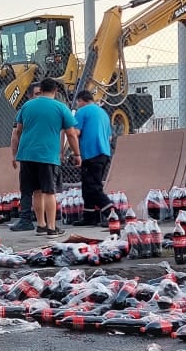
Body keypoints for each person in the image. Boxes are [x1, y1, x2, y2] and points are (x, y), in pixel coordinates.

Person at [10, 77, 81, 236]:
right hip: (47, 155)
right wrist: (77, 154)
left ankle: (41, 225)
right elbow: (70, 134)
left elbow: (18, 131)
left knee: (36, 191)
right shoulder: (61, 107)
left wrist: (15, 153)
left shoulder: (27, 106)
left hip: (27, 155)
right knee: (49, 191)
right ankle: (51, 227)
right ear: (55, 91)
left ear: (40, 90)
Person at [72, 89, 114, 225]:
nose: (77, 105)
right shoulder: (103, 113)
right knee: (87, 186)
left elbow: (75, 133)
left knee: (93, 187)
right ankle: (89, 216)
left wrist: (72, 151)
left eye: (78, 103)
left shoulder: (82, 112)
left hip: (91, 153)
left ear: (81, 101)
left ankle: (113, 214)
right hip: (104, 153)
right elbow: (109, 136)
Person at [8, 84, 42, 231]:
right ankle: (27, 218)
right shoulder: (24, 110)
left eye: (41, 93)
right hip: (29, 155)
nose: (39, 96)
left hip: (42, 155)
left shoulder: (29, 110)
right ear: (29, 96)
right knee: (28, 189)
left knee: (41, 190)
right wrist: (14, 154)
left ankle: (39, 219)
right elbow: (15, 134)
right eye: (36, 94)